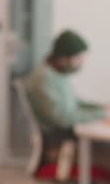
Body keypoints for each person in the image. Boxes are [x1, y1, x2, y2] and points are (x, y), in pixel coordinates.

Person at [25, 30, 108, 166]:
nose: (82, 63)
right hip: (60, 144)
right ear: (63, 59)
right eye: (79, 58)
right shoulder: (43, 79)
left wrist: (100, 108)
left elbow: (74, 104)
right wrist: (101, 114)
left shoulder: (57, 75)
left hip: (68, 138)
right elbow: (61, 118)